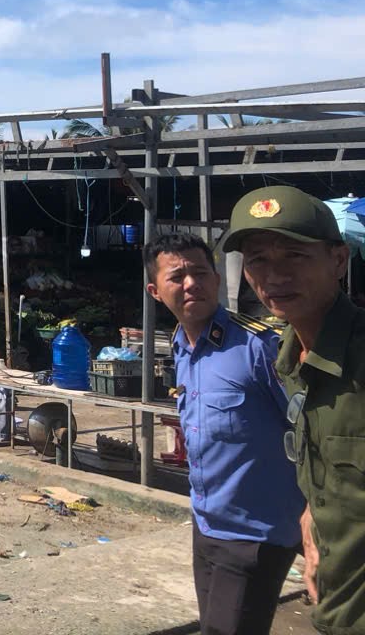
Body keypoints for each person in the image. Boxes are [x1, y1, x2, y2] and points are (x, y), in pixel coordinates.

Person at [222, 185, 365, 634]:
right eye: (258, 259)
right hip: (336, 605)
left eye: (295, 256)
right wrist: (312, 518)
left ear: (338, 261)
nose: (275, 275)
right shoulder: (289, 359)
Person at [144, 231, 302, 635]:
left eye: (200, 273)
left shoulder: (259, 347)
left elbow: (309, 429)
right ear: (155, 291)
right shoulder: (181, 348)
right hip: (206, 525)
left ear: (216, 280)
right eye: (176, 277)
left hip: (256, 534)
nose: (191, 284)